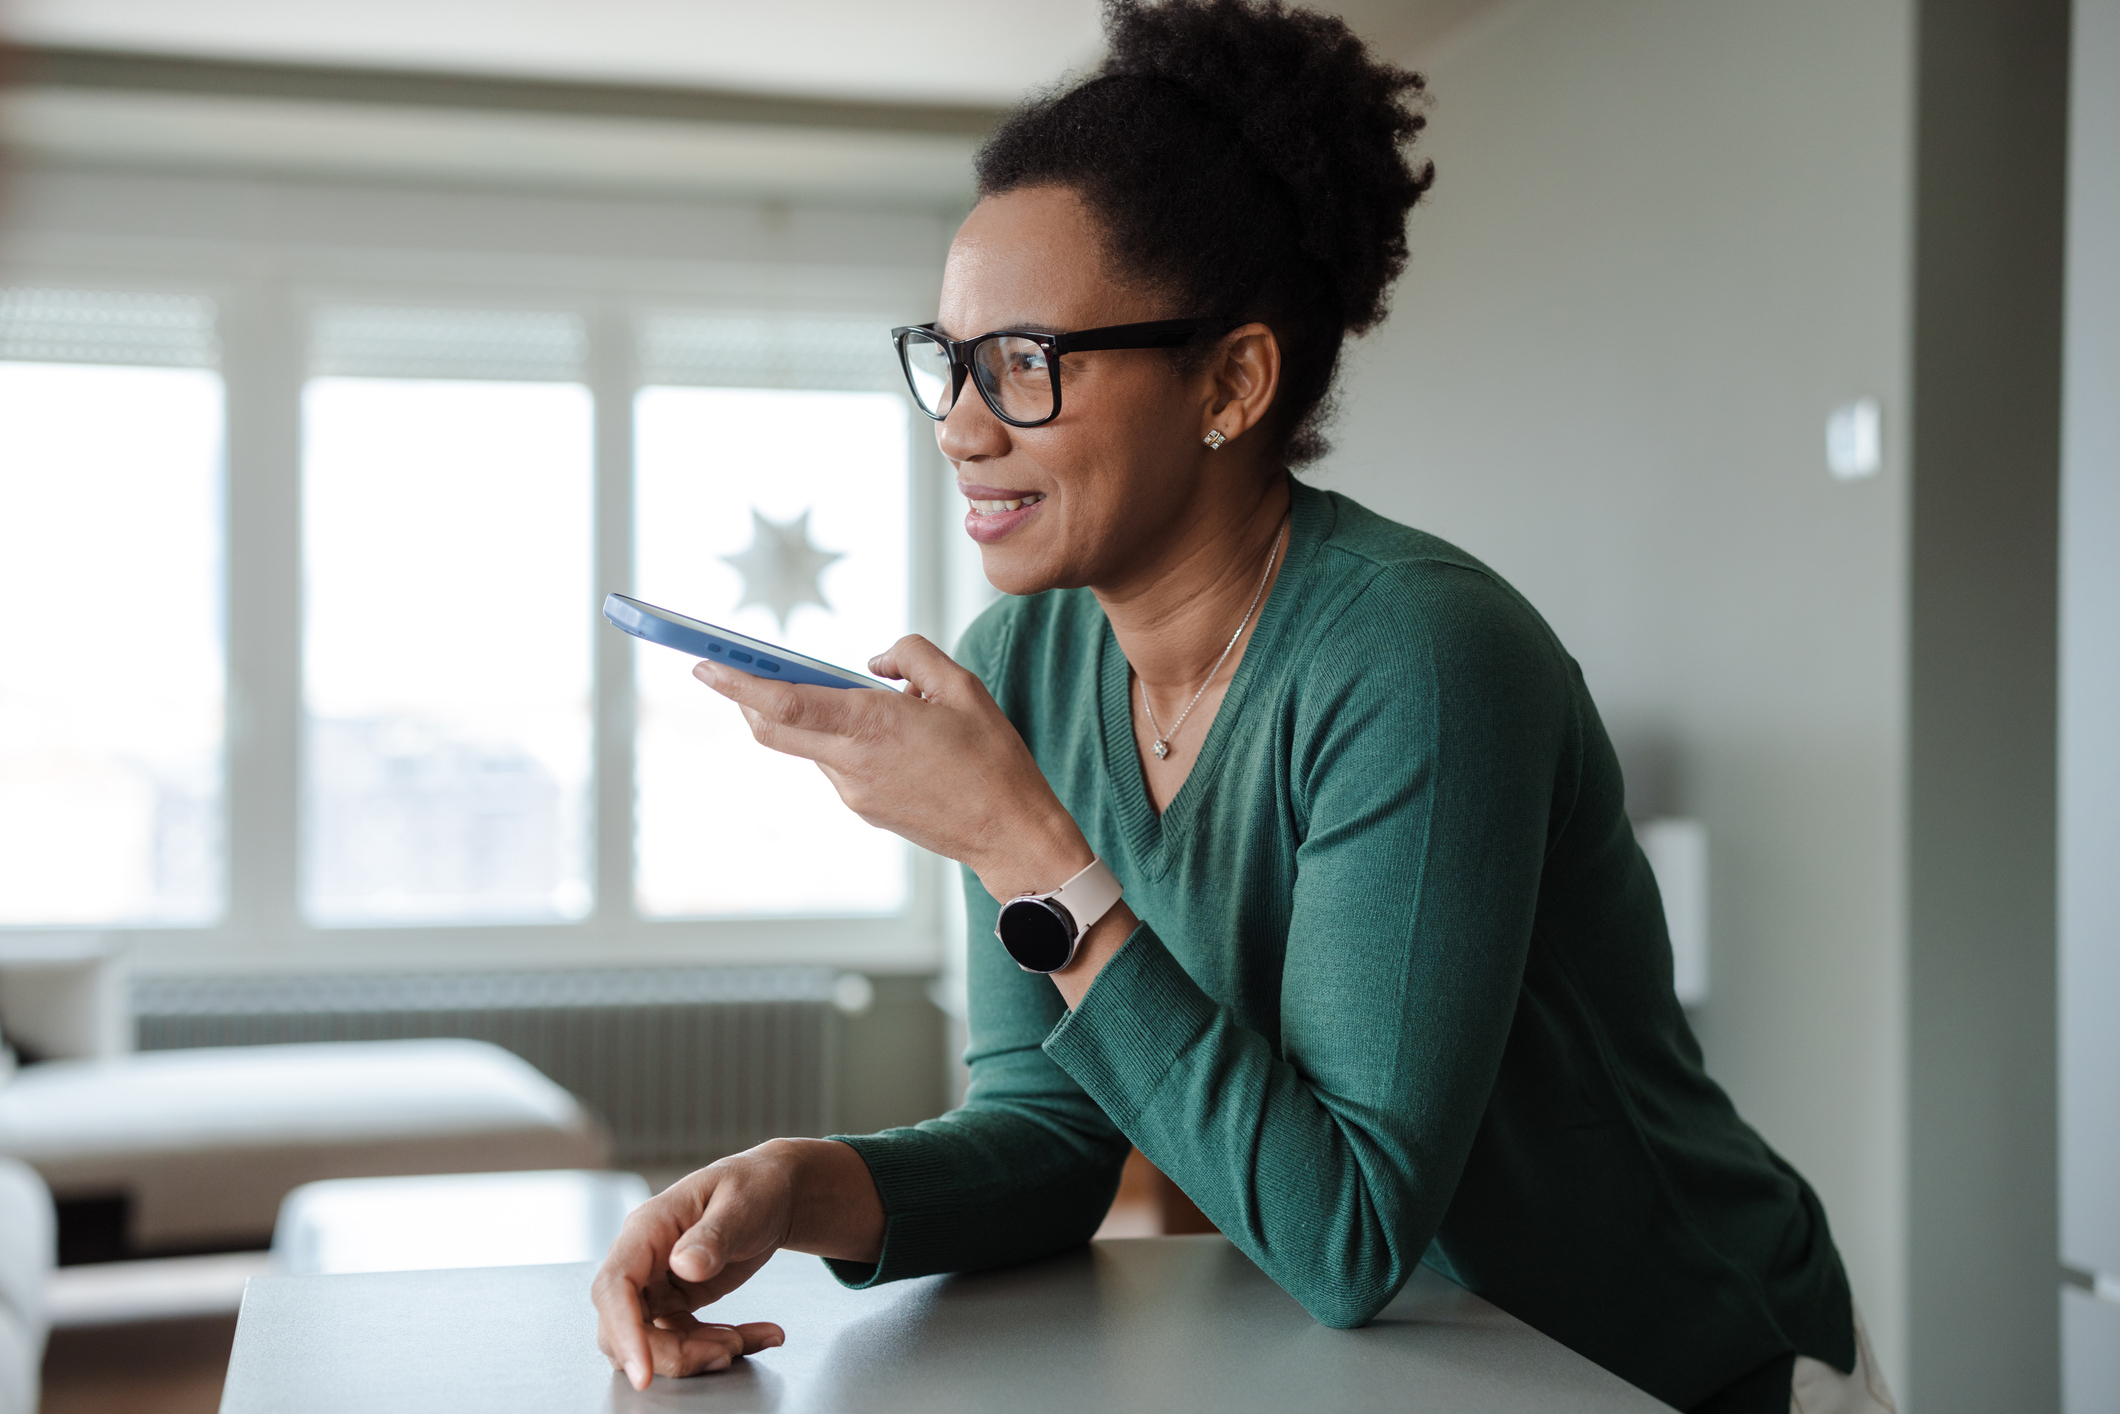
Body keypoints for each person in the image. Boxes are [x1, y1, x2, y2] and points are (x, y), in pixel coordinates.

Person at [591, 3, 1895, 1411]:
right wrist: (801, 1185)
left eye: (1027, 361)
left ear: (1231, 380)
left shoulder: (1420, 655)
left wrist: (1020, 842)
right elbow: (1053, 1131)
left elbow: (1346, 1230)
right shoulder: (1025, 663)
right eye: (949, 358)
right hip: (1420, 1374)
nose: (962, 423)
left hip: (1679, 1362)